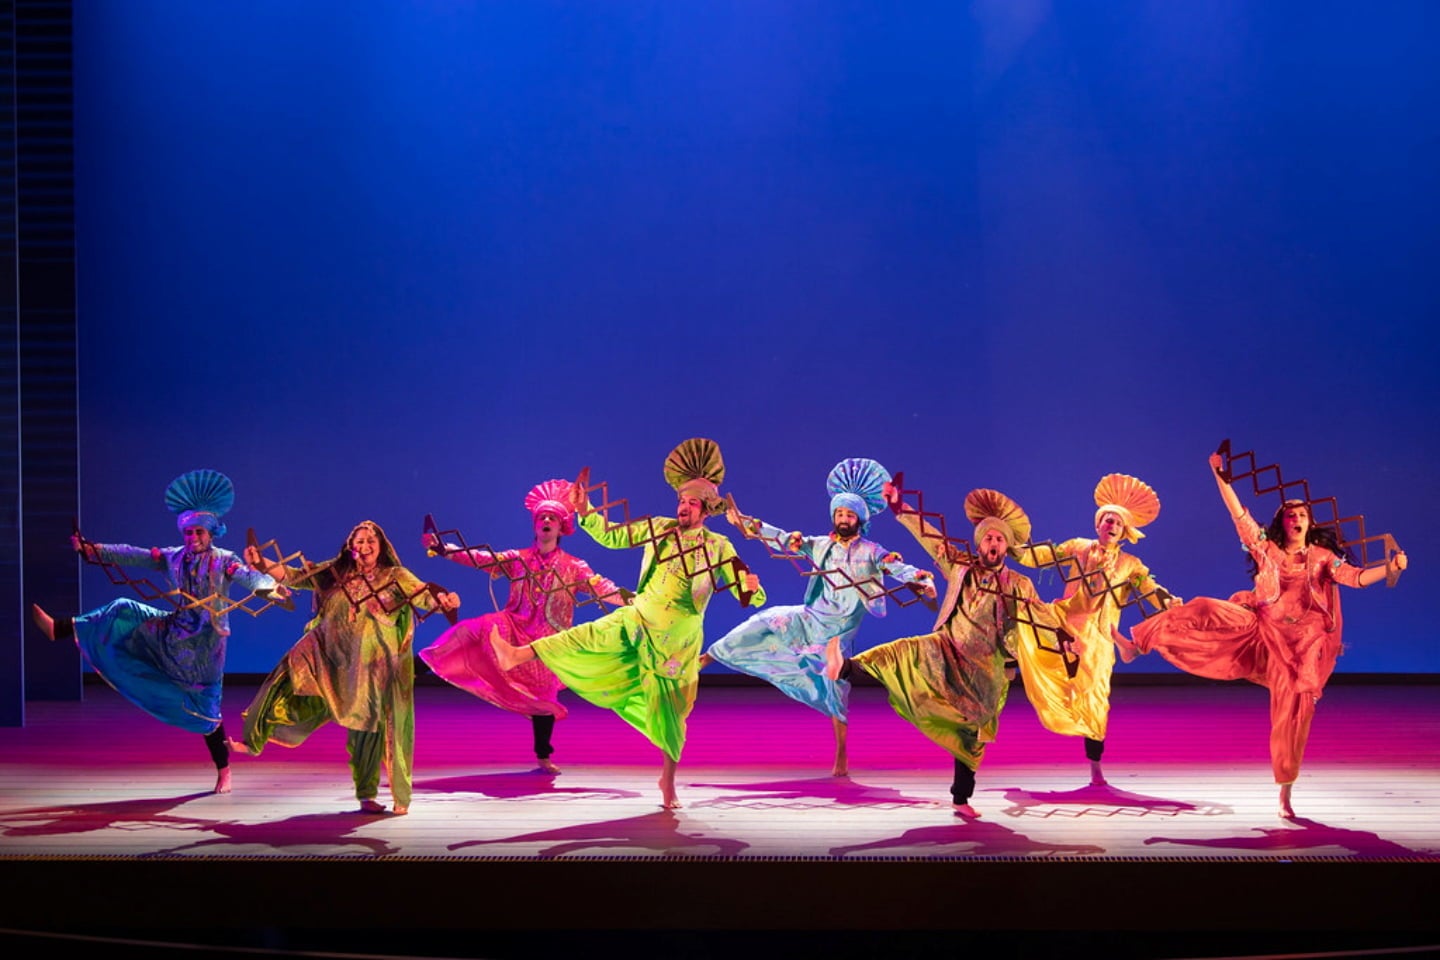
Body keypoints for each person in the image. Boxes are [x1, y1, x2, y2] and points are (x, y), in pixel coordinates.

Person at [1116, 451, 1408, 819]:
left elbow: (1356, 577)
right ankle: (1137, 644)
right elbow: (1239, 515)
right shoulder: (1266, 548)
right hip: (1259, 626)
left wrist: (1389, 568)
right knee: (1204, 608)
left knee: (1292, 715)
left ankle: (1285, 792)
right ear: (1282, 522)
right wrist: (1219, 476)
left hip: (1299, 649)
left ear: (1310, 523)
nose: (1296, 519)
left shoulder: (1322, 558)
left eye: (1302, 515)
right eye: (1290, 515)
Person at [492, 438, 765, 808]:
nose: (684, 507)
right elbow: (613, 535)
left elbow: (744, 591)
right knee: (588, 635)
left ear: (705, 509)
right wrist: (585, 509)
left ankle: (668, 781)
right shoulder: (659, 528)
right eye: (682, 500)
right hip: (640, 616)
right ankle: (517, 655)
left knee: (672, 713)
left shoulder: (718, 547)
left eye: (692, 502)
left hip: (678, 639)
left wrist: (752, 588)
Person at [30, 469, 279, 795]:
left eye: (198, 532)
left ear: (210, 533)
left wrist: (270, 587)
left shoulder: (224, 561)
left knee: (207, 710)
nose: (192, 538)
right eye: (188, 532)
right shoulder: (173, 557)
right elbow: (134, 554)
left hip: (206, 646)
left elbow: (248, 576)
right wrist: (92, 550)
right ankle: (61, 628)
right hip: (173, 632)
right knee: (122, 608)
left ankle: (224, 771)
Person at [702, 457, 934, 776]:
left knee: (834, 687)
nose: (843, 519)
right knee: (763, 620)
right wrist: (744, 522)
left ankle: (841, 754)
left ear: (859, 519)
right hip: (810, 618)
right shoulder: (820, 545)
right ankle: (707, 658)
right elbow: (781, 538)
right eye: (839, 513)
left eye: (849, 514)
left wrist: (921, 580)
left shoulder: (872, 551)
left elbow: (897, 567)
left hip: (837, 633)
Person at [825, 484, 1045, 819]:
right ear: (979, 543)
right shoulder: (960, 566)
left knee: (973, 735)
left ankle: (961, 798)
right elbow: (929, 537)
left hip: (986, 669)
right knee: (902, 653)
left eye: (1000, 539)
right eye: (988, 537)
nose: (993, 543)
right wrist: (900, 508)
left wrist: (1062, 639)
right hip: (946, 648)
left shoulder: (1019, 584)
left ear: (1007, 546)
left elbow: (1039, 617)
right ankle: (843, 668)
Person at [235, 520, 459, 815]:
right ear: (350, 547)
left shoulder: (395, 575)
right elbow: (295, 576)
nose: (365, 546)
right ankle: (256, 737)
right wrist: (261, 563)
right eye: (359, 541)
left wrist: (444, 601)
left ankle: (370, 795)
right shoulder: (335, 572)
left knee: (368, 728)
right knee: (290, 671)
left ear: (381, 546)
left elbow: (423, 595)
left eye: (371, 541)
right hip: (332, 657)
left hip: (375, 668)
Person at [419, 479, 628, 773]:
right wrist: (444, 549)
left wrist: (630, 600)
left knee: (544, 699)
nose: (546, 521)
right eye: (542, 517)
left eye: (552, 518)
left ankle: (543, 755)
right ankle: (420, 665)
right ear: (535, 525)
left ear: (561, 527)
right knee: (474, 628)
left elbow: (600, 587)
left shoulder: (574, 566)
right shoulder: (519, 558)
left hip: (547, 639)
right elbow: (482, 559)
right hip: (513, 626)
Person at [1013, 474, 1179, 786]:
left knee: (1096, 697)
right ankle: (1013, 665)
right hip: (1065, 625)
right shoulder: (1079, 547)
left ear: (1124, 531)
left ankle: (1095, 767)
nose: (1111, 525)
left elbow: (1147, 587)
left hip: (1100, 639)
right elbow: (1044, 556)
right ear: (1098, 524)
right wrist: (1013, 546)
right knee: (1026, 618)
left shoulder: (1130, 563)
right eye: (1107, 520)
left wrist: (1167, 600)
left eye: (1117, 522)